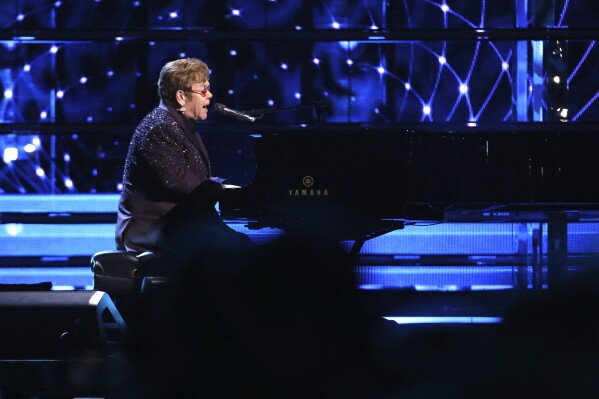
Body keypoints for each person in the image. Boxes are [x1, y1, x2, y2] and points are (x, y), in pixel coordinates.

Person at [115, 57, 248, 257]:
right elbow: (181, 183)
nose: (210, 96)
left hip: (176, 222)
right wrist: (228, 190)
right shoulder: (159, 128)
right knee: (234, 251)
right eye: (203, 90)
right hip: (153, 229)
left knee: (240, 245)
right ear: (181, 97)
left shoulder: (177, 124)